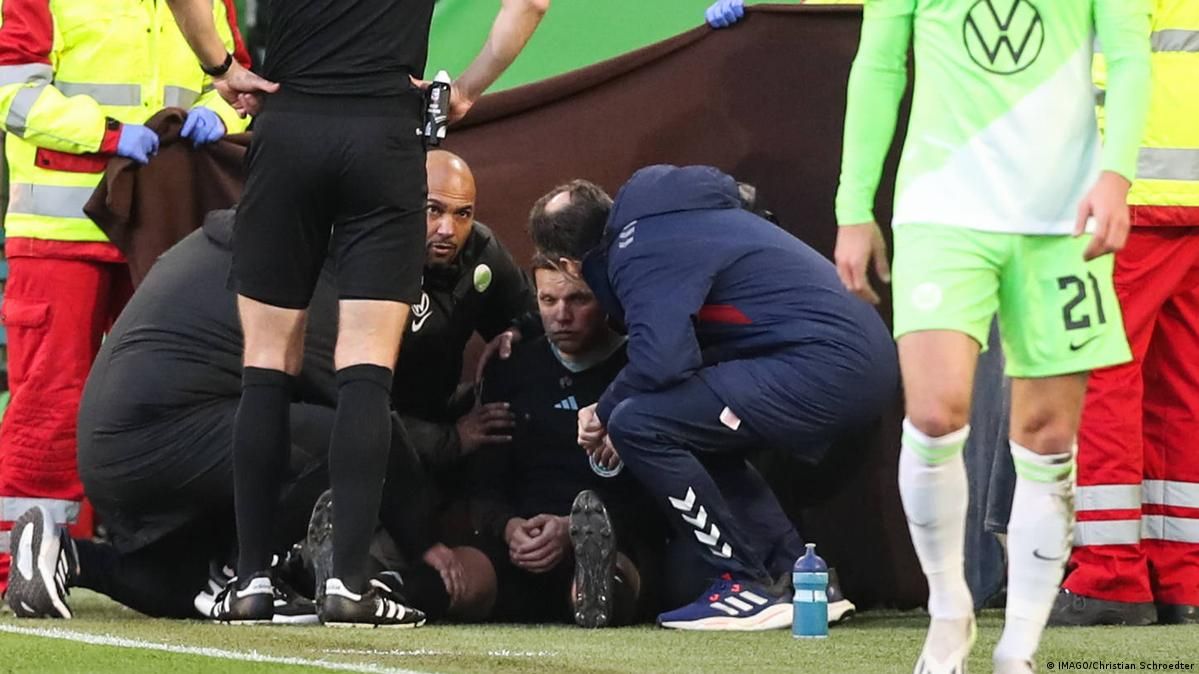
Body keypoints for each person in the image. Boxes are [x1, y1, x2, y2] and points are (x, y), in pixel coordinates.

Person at [161, 0, 549, 626]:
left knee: (266, 361)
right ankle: (347, 583)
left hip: (289, 124)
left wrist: (220, 64)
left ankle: (254, 578)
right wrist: (468, 88)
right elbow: (531, 4)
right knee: (366, 365)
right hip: (386, 135)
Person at [834, 1, 1150, 671]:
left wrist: (1115, 176)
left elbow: (1127, 57)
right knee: (933, 411)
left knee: (1046, 437)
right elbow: (879, 63)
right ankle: (948, 612)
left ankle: (1019, 647)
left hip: (1060, 220)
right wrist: (853, 206)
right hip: (940, 208)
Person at [2, 210, 452, 622]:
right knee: (342, 438)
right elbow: (368, 418)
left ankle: (66, 555)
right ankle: (254, 570)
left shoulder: (249, 242)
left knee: (186, 589)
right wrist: (427, 542)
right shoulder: (306, 278)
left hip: (130, 446)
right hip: (160, 438)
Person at [528, 170, 897, 631]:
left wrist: (602, 411)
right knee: (677, 424)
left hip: (828, 365)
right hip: (856, 354)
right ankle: (799, 580)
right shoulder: (669, 213)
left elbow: (663, 360)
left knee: (637, 423)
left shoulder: (634, 251)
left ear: (569, 265)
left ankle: (744, 584)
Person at [0, 0, 249, 594]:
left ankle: (153, 563)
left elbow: (238, 87)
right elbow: (13, 95)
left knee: (169, 402)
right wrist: (109, 135)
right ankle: (18, 568)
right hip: (62, 234)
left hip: (161, 232)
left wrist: (218, 112)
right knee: (52, 405)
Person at [1052, 0, 1199, 628]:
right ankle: (1183, 575)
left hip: (1128, 190)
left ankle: (1112, 573)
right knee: (1182, 390)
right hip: (1186, 190)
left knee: (1102, 375)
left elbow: (1109, 65)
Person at [465, 253, 666, 627]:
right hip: (523, 545)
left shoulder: (638, 369)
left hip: (615, 537)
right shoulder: (513, 366)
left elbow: (658, 492)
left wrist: (572, 530)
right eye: (548, 301)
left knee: (606, 574)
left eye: (578, 299)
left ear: (605, 298)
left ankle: (597, 592)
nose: (562, 315)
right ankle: (383, 583)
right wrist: (508, 527)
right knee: (460, 577)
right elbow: (485, 482)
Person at [394, 150, 535, 474]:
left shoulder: (481, 250)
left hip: (440, 408)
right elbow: (344, 401)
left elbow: (532, 316)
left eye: (462, 214)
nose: (448, 229)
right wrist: (450, 440)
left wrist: (516, 331)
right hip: (366, 432)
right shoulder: (368, 256)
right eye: (433, 210)